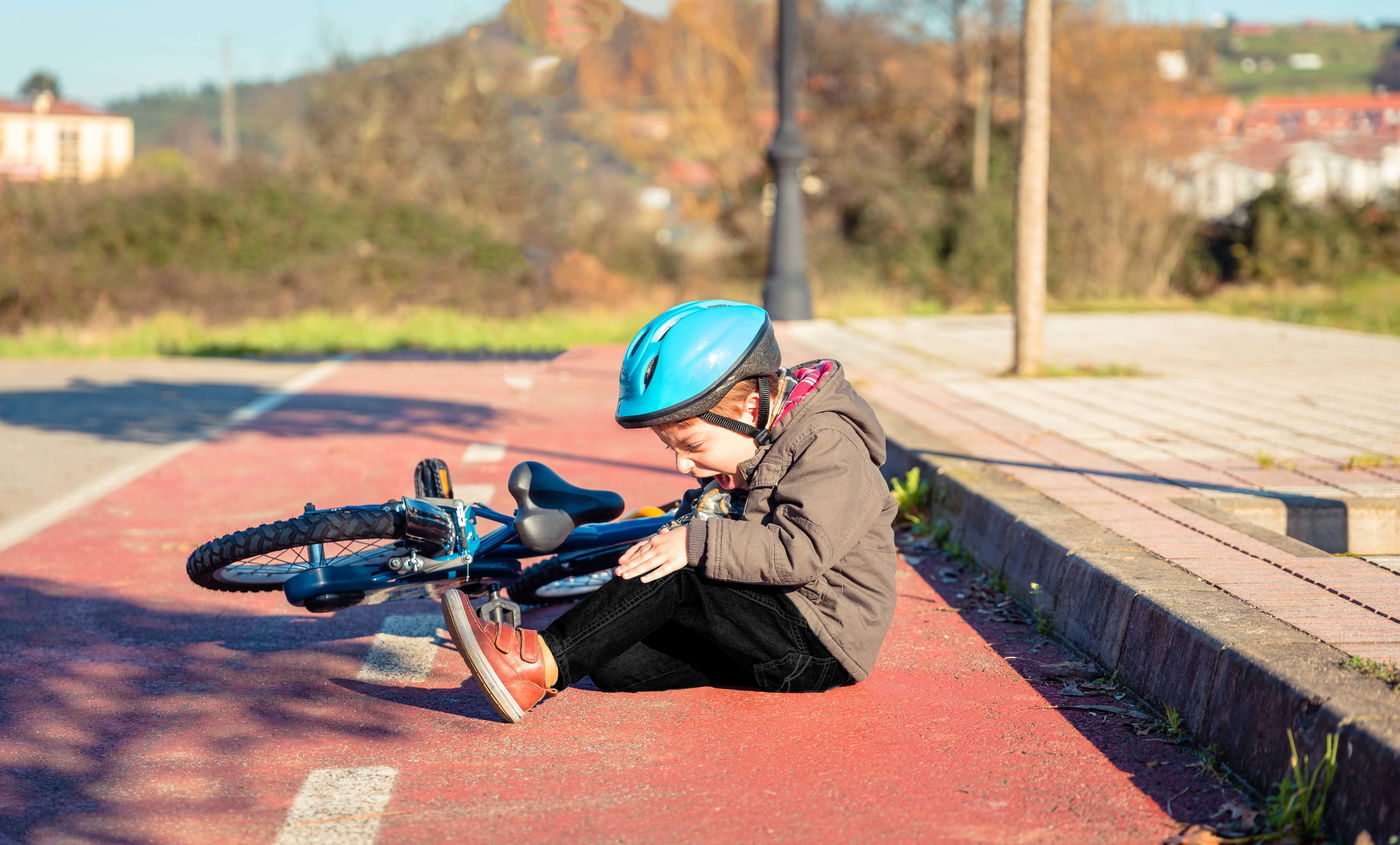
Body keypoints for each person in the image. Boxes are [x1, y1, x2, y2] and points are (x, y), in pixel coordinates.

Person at [440, 299, 898, 722]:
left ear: (753, 407)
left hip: (821, 637)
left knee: (682, 568)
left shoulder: (829, 445)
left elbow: (799, 552)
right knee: (615, 665)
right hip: (776, 624)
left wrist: (691, 542)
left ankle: (533, 665)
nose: (683, 464)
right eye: (671, 449)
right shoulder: (753, 439)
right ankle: (563, 658)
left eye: (693, 445)